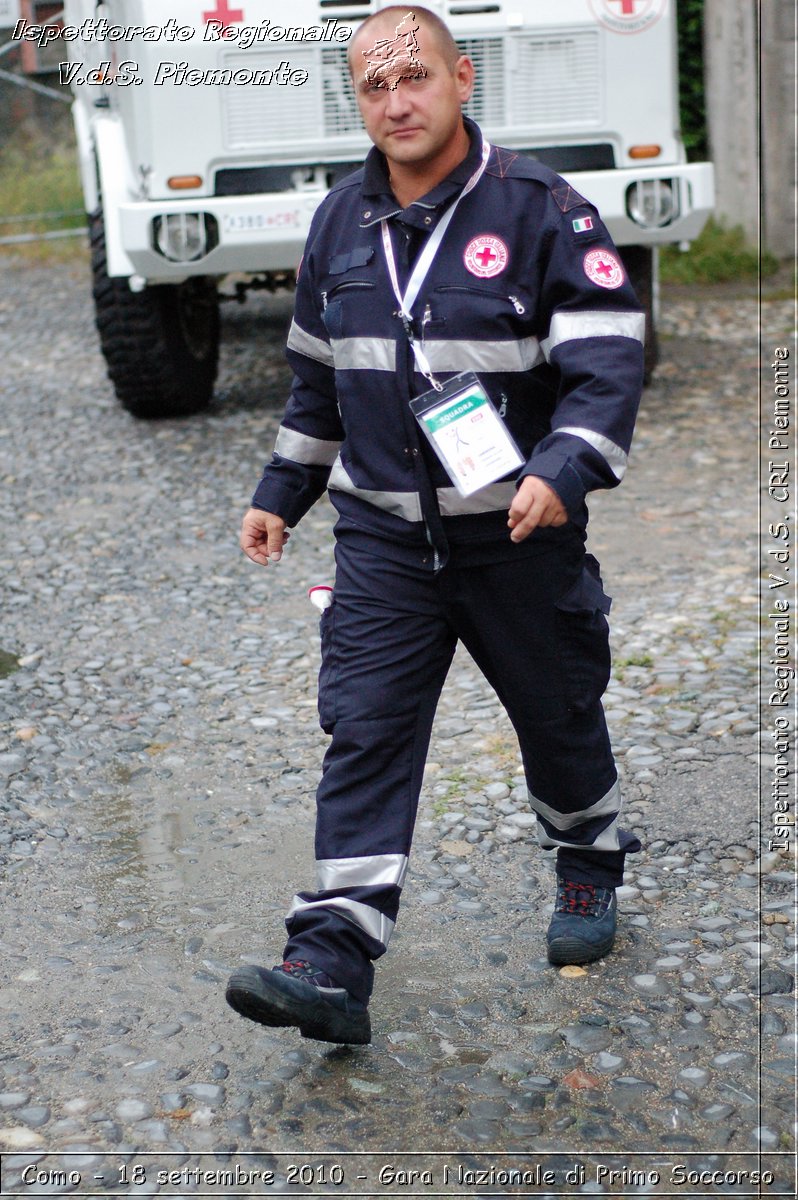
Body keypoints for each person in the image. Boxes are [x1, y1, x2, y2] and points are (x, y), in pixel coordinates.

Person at [226, 6, 645, 1046]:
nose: (397, 100)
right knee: (364, 728)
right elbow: (317, 384)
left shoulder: (542, 207)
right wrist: (281, 494)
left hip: (515, 535)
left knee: (557, 714)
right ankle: (329, 957)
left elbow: (606, 358)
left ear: (462, 78)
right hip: (381, 544)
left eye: (413, 76)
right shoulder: (336, 224)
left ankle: (588, 860)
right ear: (357, 103)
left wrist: (564, 464)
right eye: (374, 85)